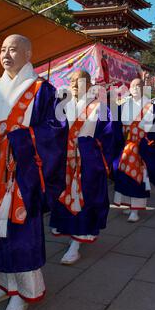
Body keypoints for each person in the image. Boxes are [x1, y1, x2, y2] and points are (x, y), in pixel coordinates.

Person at [0, 34, 68, 310]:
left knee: (20, 231)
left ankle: (23, 292)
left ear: (28, 53)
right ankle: (1, 284)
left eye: (13, 49)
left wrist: (19, 140)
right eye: (3, 49)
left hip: (22, 172)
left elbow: (56, 130)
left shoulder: (43, 90)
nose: (6, 54)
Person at [50, 70, 114, 265]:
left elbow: (110, 136)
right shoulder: (61, 105)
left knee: (85, 198)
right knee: (64, 197)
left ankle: (77, 242)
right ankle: (71, 233)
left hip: (87, 162)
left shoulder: (100, 107)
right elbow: (51, 131)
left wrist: (96, 155)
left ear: (90, 83)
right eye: (72, 80)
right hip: (64, 161)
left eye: (79, 80)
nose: (75, 84)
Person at [113, 78, 155, 222]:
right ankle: (129, 204)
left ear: (144, 88)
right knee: (125, 177)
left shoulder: (151, 108)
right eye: (132, 86)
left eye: (138, 85)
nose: (135, 88)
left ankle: (135, 209)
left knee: (138, 178)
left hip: (142, 148)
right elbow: (116, 128)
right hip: (126, 148)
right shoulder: (123, 106)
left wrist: (149, 146)